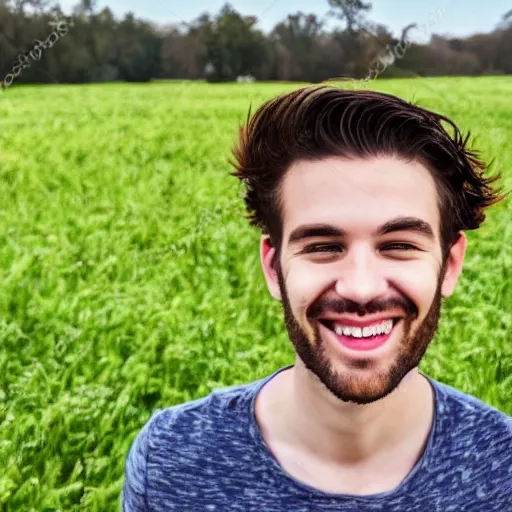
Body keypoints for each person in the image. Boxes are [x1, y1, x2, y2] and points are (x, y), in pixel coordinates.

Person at [121, 85, 511, 511]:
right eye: (323, 246)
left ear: (449, 265)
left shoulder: (502, 468)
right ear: (273, 268)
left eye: (398, 245)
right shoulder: (170, 461)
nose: (361, 288)